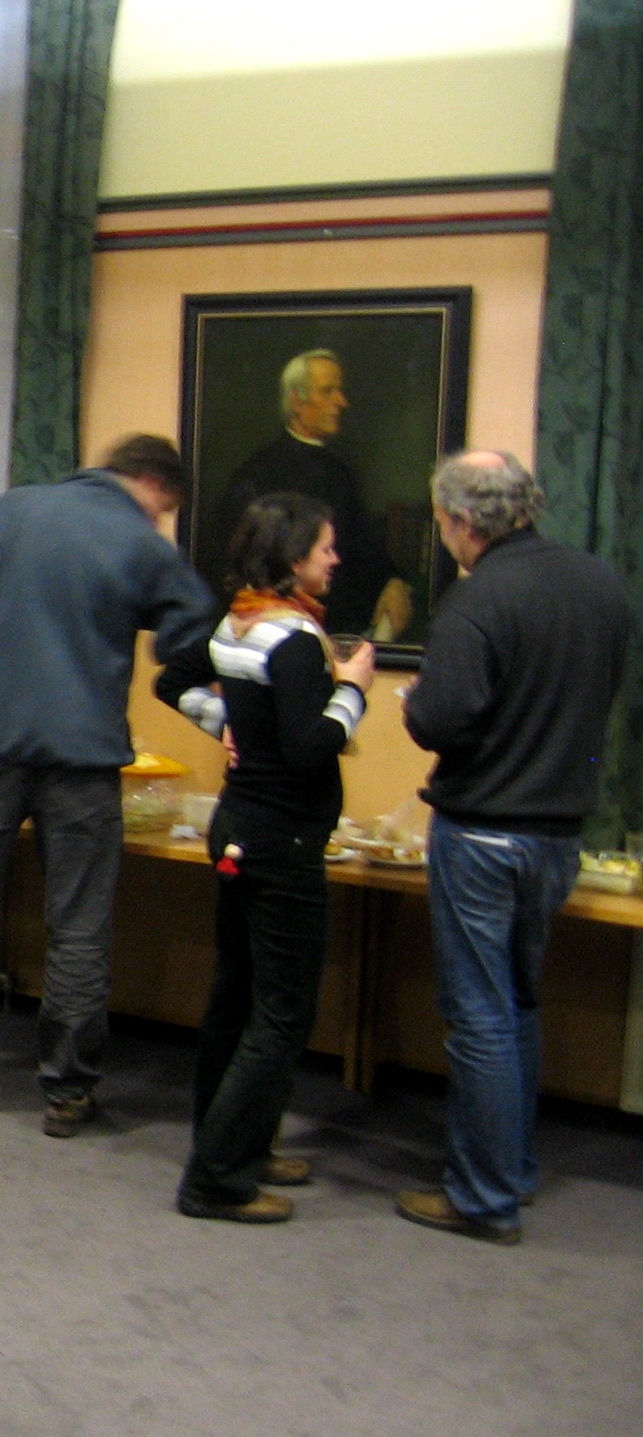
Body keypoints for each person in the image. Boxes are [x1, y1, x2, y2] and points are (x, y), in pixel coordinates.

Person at [0, 434, 212, 1134]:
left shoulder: (9, 512)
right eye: (164, 508)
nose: (159, 520)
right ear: (153, 483)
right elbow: (190, 634)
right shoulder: (144, 547)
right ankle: (67, 1093)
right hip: (83, 756)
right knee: (78, 923)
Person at [393, 450, 629, 1245]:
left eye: (442, 523)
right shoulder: (601, 584)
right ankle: (513, 1171)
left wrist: (414, 703)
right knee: (519, 1002)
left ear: (463, 521)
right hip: (560, 836)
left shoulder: (479, 598)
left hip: (483, 832)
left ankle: (483, 1196)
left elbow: (441, 720)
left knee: (480, 1016)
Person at [157, 494, 375, 1223]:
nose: (335, 559)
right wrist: (354, 689)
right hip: (282, 840)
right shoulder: (298, 640)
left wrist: (231, 727)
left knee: (236, 1000)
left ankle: (233, 1145)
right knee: (282, 1014)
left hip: (239, 828)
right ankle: (218, 1179)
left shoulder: (239, 622)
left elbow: (170, 682)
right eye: (325, 548)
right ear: (293, 557)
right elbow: (312, 747)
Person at [215, 349, 412, 640]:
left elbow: (362, 546)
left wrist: (393, 580)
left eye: (339, 391)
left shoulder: (340, 471)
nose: (341, 402)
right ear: (297, 400)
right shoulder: (258, 474)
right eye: (328, 391)